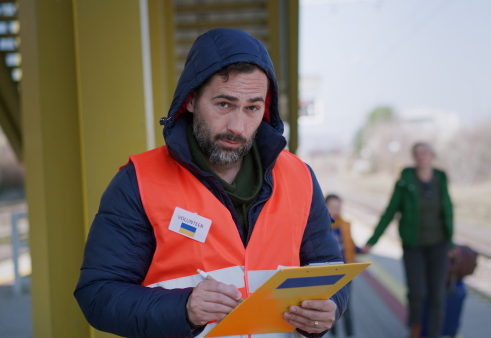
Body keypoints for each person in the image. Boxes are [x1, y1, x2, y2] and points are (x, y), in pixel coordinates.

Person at [74, 28, 348, 338]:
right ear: (190, 100)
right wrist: (184, 309)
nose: (237, 126)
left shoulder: (300, 178)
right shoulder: (138, 181)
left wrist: (331, 306)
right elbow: (97, 295)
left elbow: (330, 270)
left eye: (252, 108)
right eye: (224, 105)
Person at [361, 142, 454, 338]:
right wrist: (372, 240)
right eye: (417, 153)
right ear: (414, 157)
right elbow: (390, 212)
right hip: (414, 246)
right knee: (417, 293)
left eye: (425, 153)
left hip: (439, 244)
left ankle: (434, 334)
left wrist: (451, 243)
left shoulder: (440, 178)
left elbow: (448, 210)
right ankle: (415, 328)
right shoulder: (405, 180)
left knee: (437, 294)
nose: (422, 157)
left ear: (432, 155)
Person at [325, 194, 357, 338]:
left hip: (345, 272)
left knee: (347, 307)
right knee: (331, 307)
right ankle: (333, 333)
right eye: (331, 207)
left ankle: (350, 334)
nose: (335, 211)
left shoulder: (345, 224)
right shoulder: (321, 225)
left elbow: (350, 244)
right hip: (328, 274)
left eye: (338, 207)